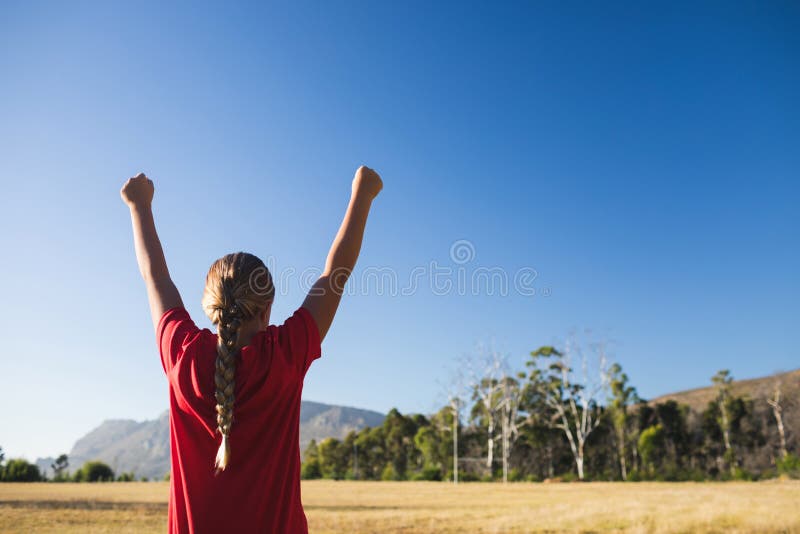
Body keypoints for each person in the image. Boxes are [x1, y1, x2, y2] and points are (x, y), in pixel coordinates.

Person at [121, 166, 383, 533]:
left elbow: (157, 277)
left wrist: (140, 207)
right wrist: (363, 194)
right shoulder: (285, 355)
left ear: (208, 306)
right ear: (266, 310)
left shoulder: (182, 355)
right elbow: (334, 274)